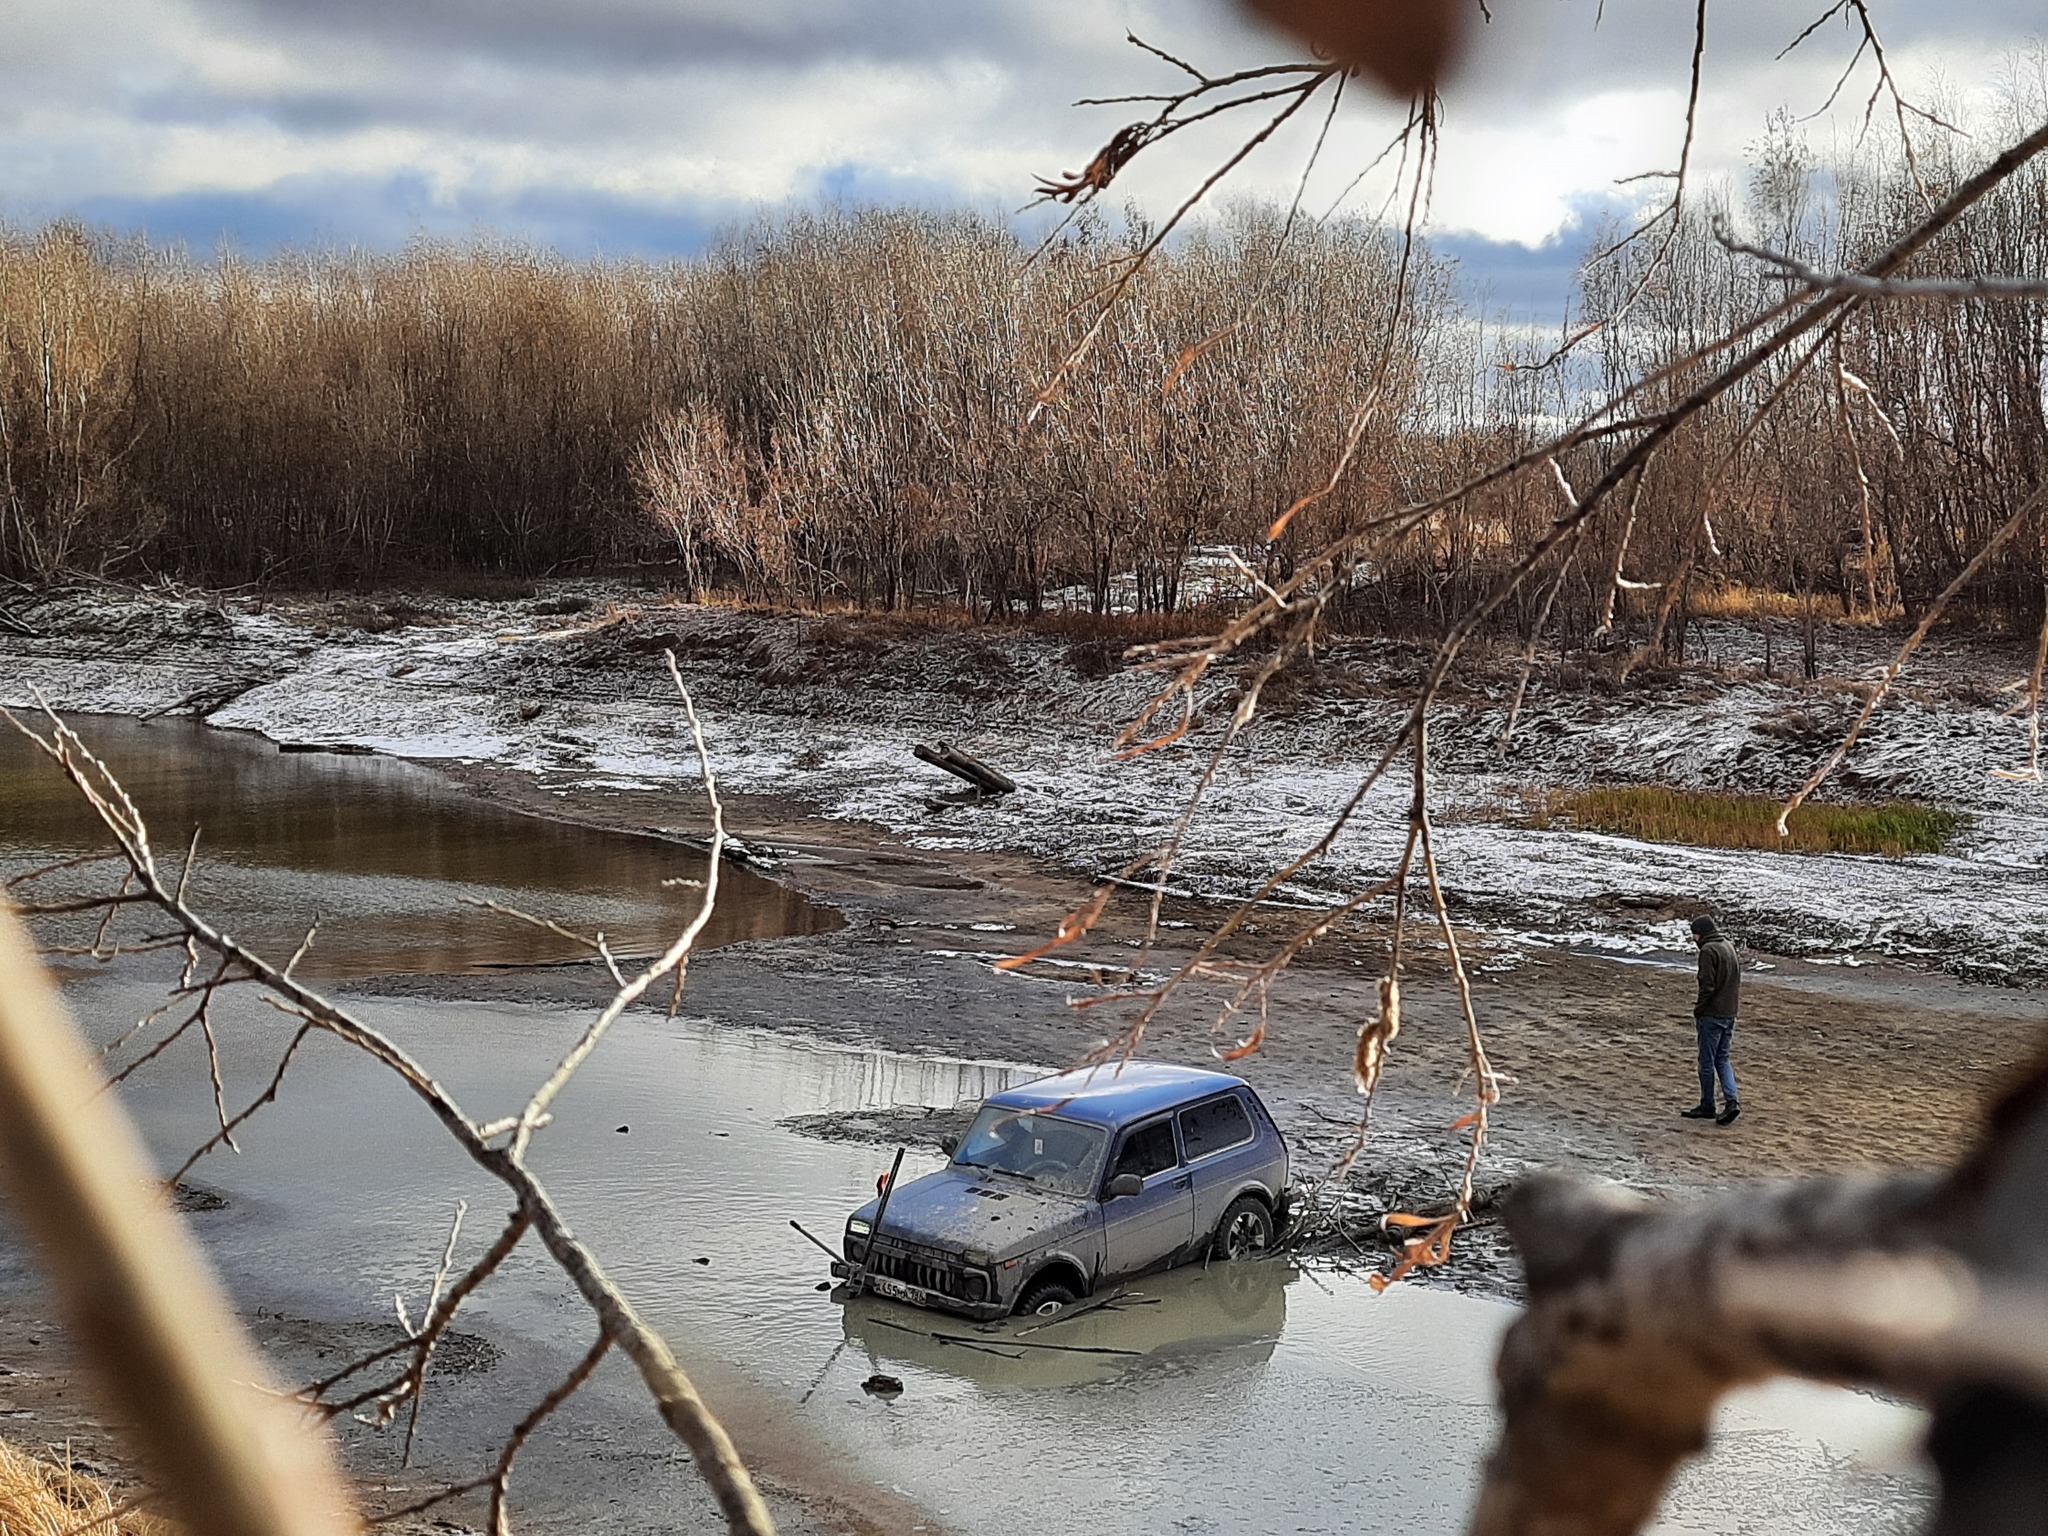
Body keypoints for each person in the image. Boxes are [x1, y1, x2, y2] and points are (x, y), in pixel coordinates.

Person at [1682, 914, 1742, 1125]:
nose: (1694, 938)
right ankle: (1732, 1100)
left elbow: (1706, 986)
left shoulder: (1708, 951)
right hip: (1730, 1012)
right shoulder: (1728, 946)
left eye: (1694, 934)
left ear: (1702, 933)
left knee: (1706, 1062)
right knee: (1722, 1059)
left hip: (1712, 1015)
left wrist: (1699, 1009)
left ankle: (1707, 1104)